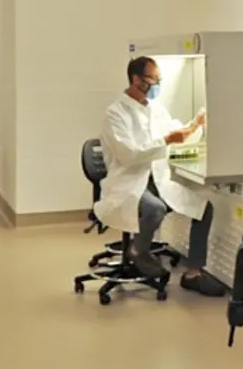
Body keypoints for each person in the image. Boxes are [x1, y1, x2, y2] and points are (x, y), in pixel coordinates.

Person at [94, 56, 229, 297]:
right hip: (129, 182)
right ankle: (138, 251)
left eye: (159, 80)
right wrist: (166, 140)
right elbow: (129, 155)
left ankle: (193, 273)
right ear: (136, 80)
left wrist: (195, 126)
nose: (157, 86)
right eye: (153, 80)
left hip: (157, 179)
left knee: (203, 209)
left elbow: (173, 132)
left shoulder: (155, 108)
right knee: (154, 209)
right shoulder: (115, 114)